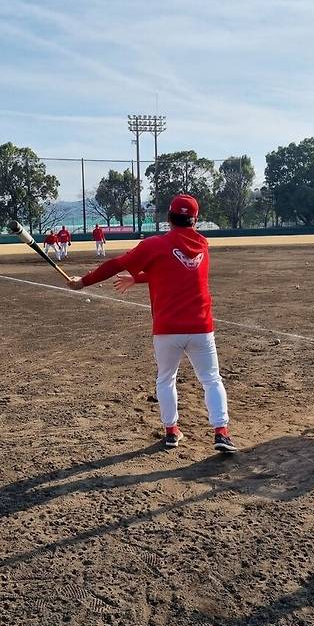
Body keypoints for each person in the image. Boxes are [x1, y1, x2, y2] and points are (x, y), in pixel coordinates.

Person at [68, 194, 236, 454]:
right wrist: (139, 279)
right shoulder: (202, 244)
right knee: (212, 379)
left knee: (166, 379)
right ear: (196, 220)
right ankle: (221, 433)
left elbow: (117, 264)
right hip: (201, 327)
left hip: (168, 328)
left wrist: (83, 282)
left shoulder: (155, 244)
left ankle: (171, 431)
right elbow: (176, 268)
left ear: (169, 218)